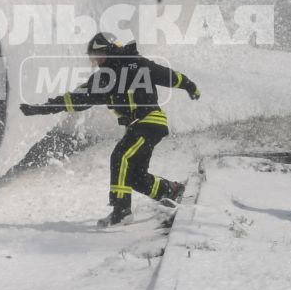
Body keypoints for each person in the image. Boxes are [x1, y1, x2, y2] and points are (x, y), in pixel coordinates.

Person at [18, 31, 199, 227]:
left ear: (109, 49)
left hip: (150, 122)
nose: (95, 61)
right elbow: (74, 99)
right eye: (93, 58)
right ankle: (170, 191)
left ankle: (121, 212)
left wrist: (190, 86)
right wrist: (41, 108)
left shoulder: (136, 63)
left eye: (97, 55)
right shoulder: (102, 79)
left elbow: (168, 76)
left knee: (120, 157)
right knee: (134, 177)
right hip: (138, 127)